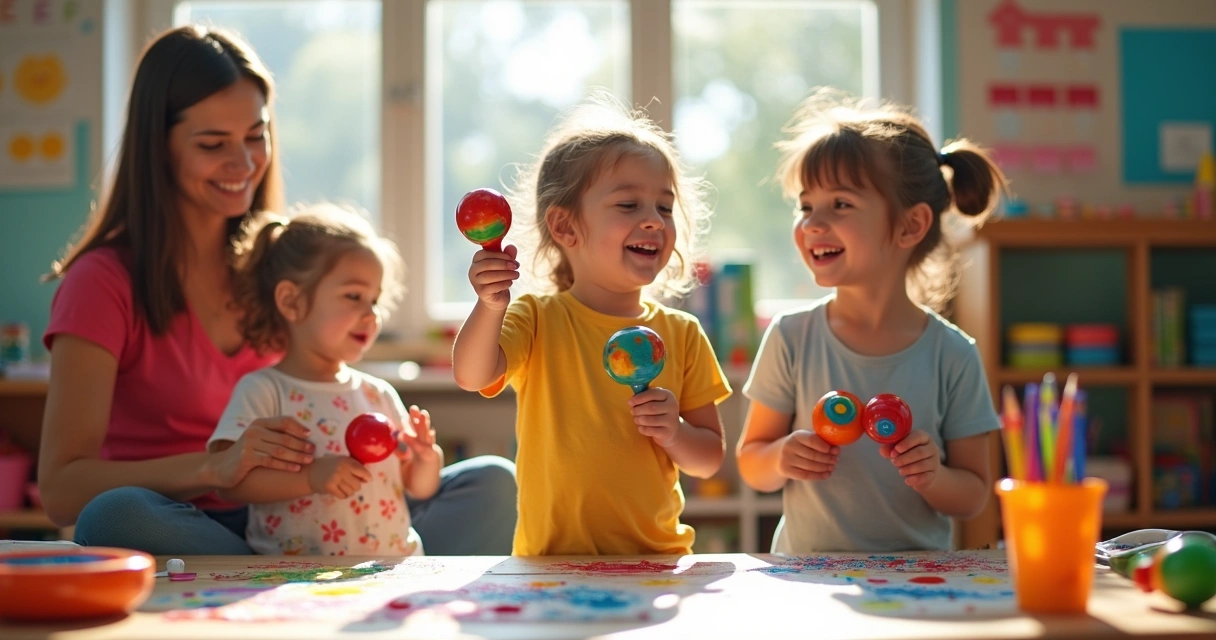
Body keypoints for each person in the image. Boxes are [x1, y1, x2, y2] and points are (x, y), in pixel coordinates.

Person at [38, 25, 516, 555]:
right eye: (213, 144)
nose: (243, 164)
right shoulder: (102, 282)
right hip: (191, 521)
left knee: (493, 484)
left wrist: (408, 458)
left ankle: (316, 575)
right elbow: (62, 492)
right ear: (159, 148)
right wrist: (215, 466)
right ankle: (280, 576)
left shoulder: (277, 265)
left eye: (255, 135)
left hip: (318, 511)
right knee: (115, 516)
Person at [451, 92, 731, 556]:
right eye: (628, 206)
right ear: (565, 227)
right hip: (551, 562)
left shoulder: (682, 333)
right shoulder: (537, 318)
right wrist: (489, 304)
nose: (654, 222)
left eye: (664, 207)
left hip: (655, 559)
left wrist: (676, 433)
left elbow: (709, 459)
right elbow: (471, 374)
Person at [736, 88, 1005, 553]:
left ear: (910, 225)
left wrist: (935, 476)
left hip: (918, 583)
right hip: (809, 579)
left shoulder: (953, 353)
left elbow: (974, 495)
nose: (813, 223)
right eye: (805, 206)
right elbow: (751, 462)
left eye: (840, 204)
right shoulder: (791, 336)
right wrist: (782, 456)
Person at [208, 204, 436, 556]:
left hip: (390, 573)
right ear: (291, 301)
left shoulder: (379, 394)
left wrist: (425, 460)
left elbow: (418, 488)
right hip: (294, 580)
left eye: (375, 300)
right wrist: (310, 477)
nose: (371, 314)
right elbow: (231, 485)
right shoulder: (263, 391)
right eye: (354, 296)